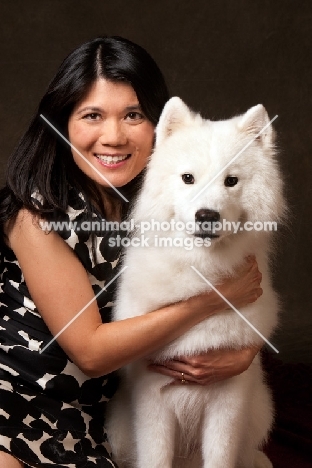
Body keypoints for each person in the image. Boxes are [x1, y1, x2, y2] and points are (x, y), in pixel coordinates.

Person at [0, 36, 263, 467]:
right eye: (92, 115)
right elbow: (92, 351)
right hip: (15, 408)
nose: (114, 137)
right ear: (63, 122)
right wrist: (213, 299)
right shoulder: (36, 214)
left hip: (91, 420)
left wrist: (242, 353)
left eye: (133, 115)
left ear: (159, 125)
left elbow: (247, 288)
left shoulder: (172, 188)